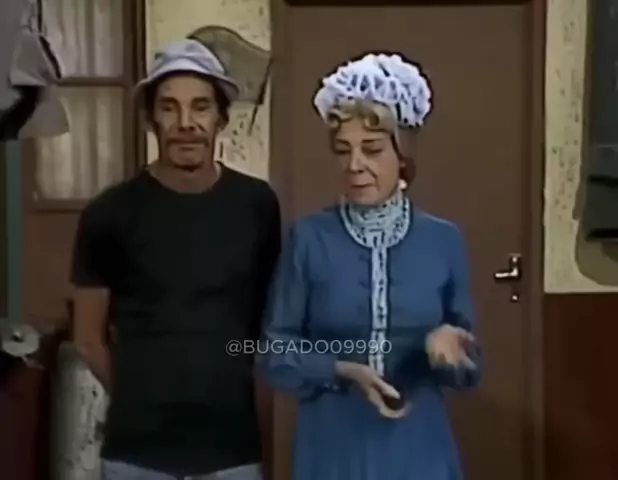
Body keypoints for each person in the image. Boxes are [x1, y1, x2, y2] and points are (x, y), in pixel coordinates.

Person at [259, 52, 481, 480]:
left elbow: (473, 369)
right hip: (332, 444)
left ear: (403, 153)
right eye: (343, 150)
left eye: (372, 149)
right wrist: (340, 368)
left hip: (417, 444)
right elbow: (274, 351)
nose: (355, 164)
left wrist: (451, 350)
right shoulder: (309, 238)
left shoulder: (443, 240)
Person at [71, 39, 280, 480]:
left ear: (221, 118)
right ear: (151, 119)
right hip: (137, 455)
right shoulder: (109, 213)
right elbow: (88, 337)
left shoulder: (257, 204)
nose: (186, 123)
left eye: (200, 107)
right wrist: (138, 398)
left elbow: (268, 329)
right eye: (169, 108)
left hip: (234, 451)